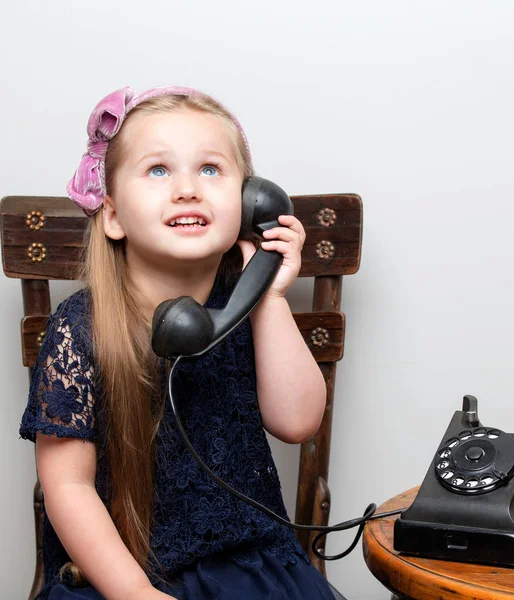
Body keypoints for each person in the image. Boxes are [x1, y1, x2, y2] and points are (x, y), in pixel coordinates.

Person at [19, 86, 335, 600]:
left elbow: (297, 422)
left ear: (253, 201)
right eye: (158, 170)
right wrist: (136, 594)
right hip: (120, 575)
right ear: (114, 216)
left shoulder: (250, 307)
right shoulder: (80, 330)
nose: (188, 188)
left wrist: (271, 295)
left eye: (210, 169)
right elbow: (68, 488)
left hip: (249, 568)